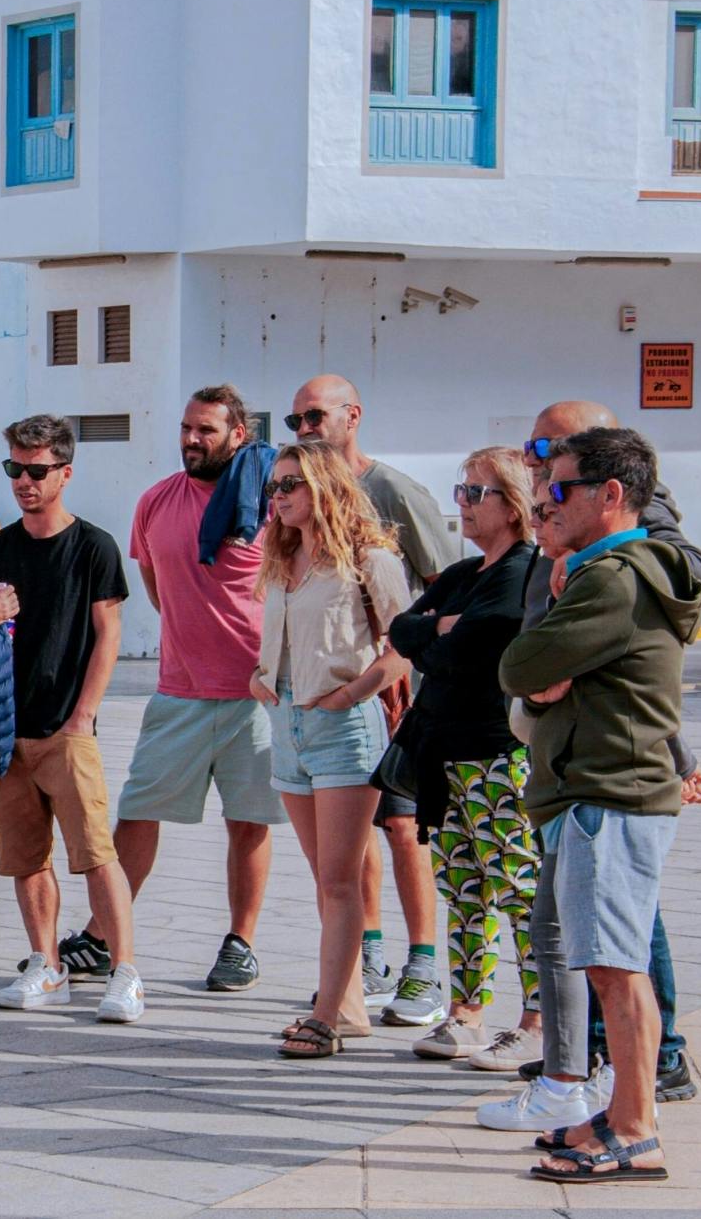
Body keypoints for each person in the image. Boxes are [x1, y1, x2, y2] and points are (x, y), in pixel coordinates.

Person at [478, 404, 701, 1133]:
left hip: (606, 791)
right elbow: (535, 674)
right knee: (612, 961)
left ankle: (632, 1129)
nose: (547, 497)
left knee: (614, 968)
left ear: (612, 495)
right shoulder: (600, 572)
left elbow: (519, 664)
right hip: (597, 789)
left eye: (563, 487)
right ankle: (619, 1119)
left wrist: (547, 642)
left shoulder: (613, 578)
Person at [64, 387, 281, 993]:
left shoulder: (268, 503)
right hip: (178, 690)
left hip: (255, 695)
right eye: (186, 428)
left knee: (248, 821)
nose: (191, 439)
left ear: (239, 434)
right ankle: (103, 938)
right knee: (137, 815)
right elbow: (156, 584)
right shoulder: (156, 501)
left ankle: (241, 942)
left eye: (206, 430)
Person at [288, 374, 458, 1025]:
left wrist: (413, 670)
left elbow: (445, 587)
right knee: (351, 834)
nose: (304, 429)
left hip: (400, 691)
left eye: (314, 417)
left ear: (352, 416)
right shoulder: (302, 491)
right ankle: (370, 958)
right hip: (336, 702)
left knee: (404, 827)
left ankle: (422, 966)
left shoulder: (392, 490)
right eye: (295, 420)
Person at [0, 415, 141, 1023]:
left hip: (66, 728)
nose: (23, 481)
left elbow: (107, 631)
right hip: (4, 731)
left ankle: (125, 973)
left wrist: (84, 716)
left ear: (66, 471)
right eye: (14, 468)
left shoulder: (93, 546)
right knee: (24, 857)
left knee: (95, 852)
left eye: (36, 470)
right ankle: (47, 965)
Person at [377, 448, 540, 1065]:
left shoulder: (523, 570)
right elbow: (402, 629)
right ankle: (466, 1012)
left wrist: (442, 633)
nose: (462, 504)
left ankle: (534, 1018)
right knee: (464, 889)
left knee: (518, 888)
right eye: (462, 490)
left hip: (495, 757)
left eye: (476, 493)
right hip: (443, 757)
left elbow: (478, 644)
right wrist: (438, 630)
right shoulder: (463, 574)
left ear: (514, 504)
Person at [248, 443, 410, 1058]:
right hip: (286, 724)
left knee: (341, 881)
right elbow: (281, 642)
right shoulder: (282, 556)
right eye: (275, 486)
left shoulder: (370, 559)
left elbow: (405, 645)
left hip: (343, 727)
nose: (280, 495)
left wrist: (355, 692)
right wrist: (258, 679)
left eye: (292, 484)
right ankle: (347, 1007)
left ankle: (326, 1016)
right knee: (324, 879)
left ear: (324, 487)